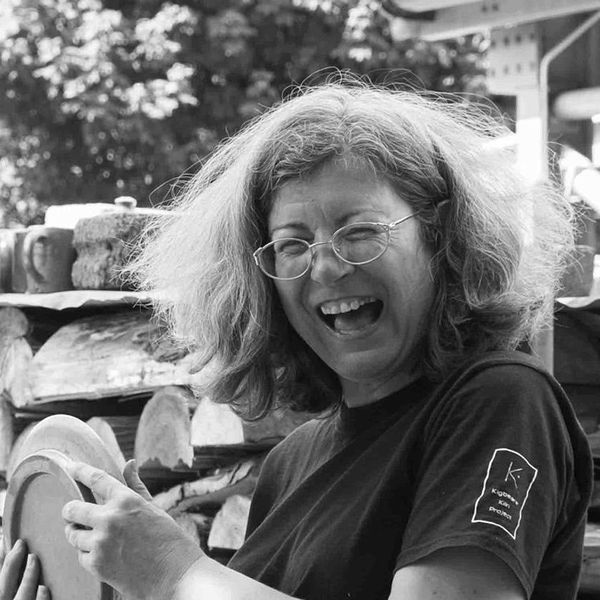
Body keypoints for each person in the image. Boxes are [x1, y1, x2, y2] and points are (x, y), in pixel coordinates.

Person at [0, 79, 593, 600]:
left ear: (443, 239)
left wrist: (174, 573)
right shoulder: (289, 464)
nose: (327, 267)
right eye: (292, 245)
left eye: (361, 231)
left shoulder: (500, 402)